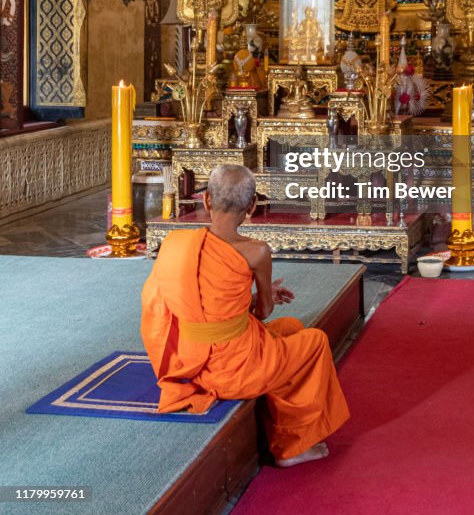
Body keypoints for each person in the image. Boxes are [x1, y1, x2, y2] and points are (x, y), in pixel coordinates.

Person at [141, 165, 349, 466]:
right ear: (252, 206)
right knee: (314, 341)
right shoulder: (256, 251)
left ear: (207, 201)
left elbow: (174, 306)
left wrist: (245, 298)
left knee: (290, 328)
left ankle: (286, 416)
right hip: (233, 370)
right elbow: (264, 313)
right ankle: (293, 448)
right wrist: (262, 298)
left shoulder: (175, 245)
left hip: (190, 362)